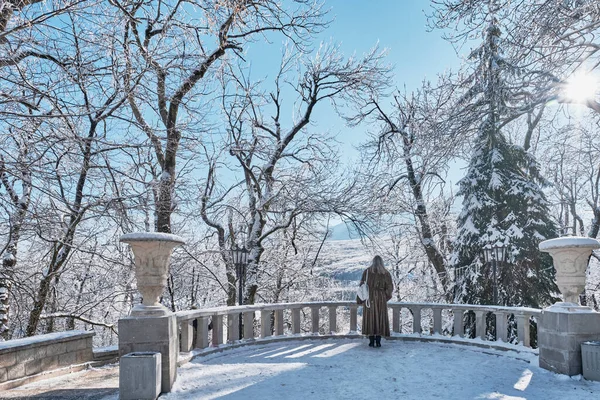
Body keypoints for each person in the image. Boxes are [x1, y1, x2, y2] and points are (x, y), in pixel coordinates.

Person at [357, 255, 393, 347]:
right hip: (381, 298)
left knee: (370, 318)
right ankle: (378, 341)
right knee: (380, 317)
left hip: (369, 297)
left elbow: (361, 286)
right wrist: (385, 296)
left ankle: (371, 340)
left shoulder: (367, 271)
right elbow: (390, 287)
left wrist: (360, 299)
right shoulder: (386, 273)